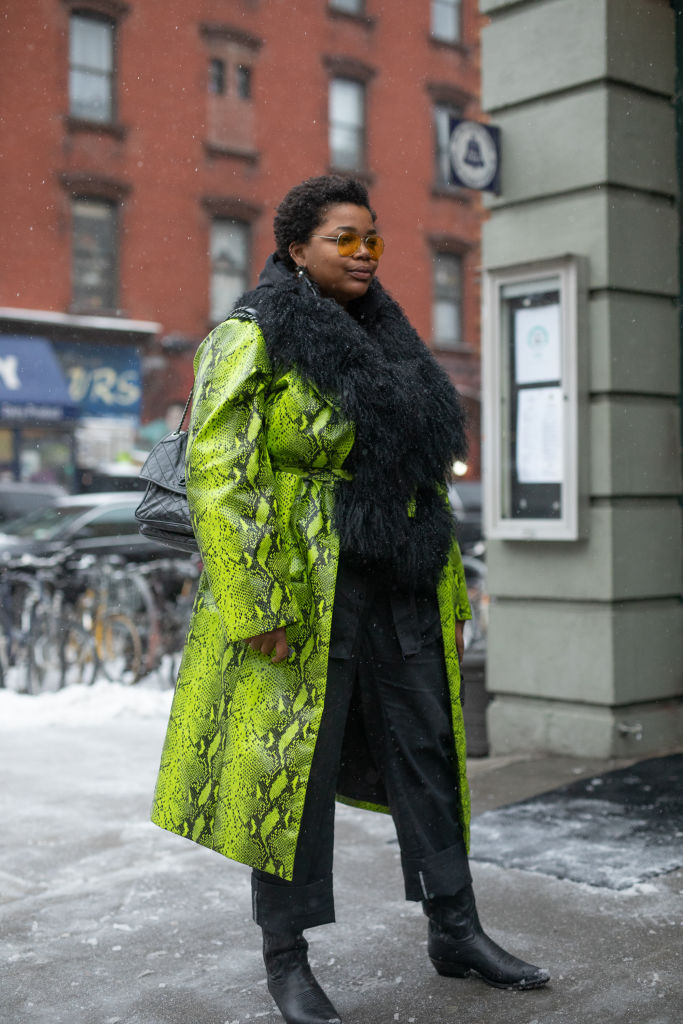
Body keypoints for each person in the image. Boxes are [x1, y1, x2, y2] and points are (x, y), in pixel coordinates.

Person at [151, 175, 549, 1024]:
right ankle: (287, 959)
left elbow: (422, 483)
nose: (365, 252)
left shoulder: (395, 343)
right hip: (297, 587)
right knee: (288, 772)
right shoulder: (250, 334)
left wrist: (447, 588)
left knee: (428, 755)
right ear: (297, 249)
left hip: (397, 580)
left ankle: (455, 929)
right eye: (344, 238)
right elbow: (221, 473)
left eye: (372, 238)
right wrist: (255, 601)